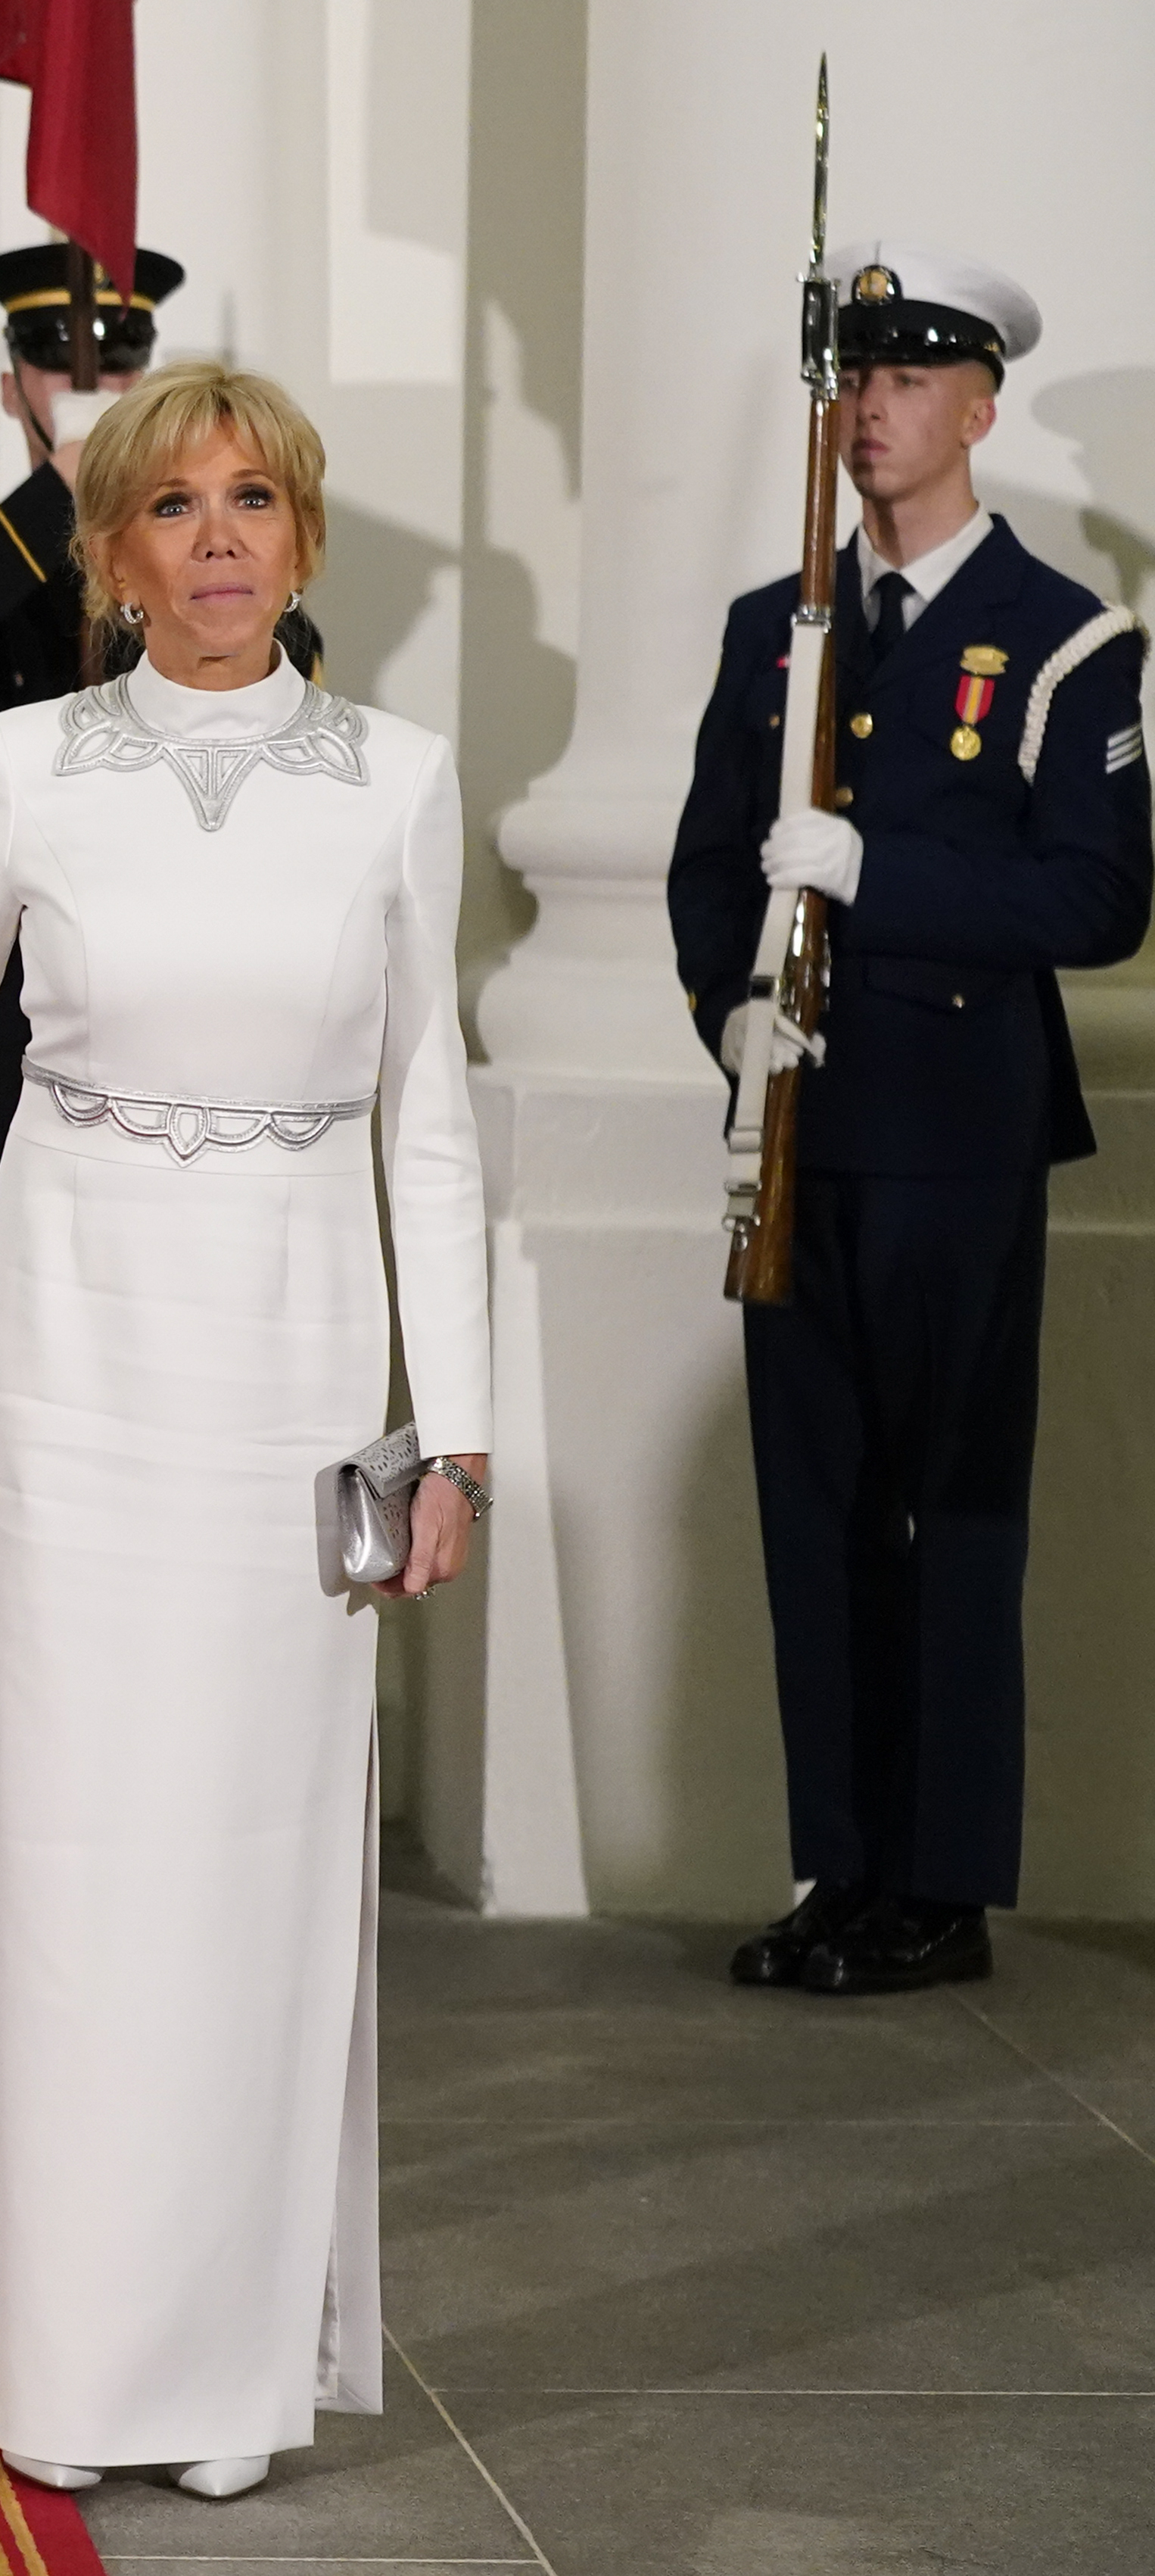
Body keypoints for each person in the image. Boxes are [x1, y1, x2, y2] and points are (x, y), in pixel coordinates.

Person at [0, 364, 490, 2500]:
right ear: (105, 550)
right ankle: (69, 2371)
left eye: (247, 497)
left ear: (302, 534)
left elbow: (424, 1123)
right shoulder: (19, 765)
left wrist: (447, 1436)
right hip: (71, 1367)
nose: (210, 538)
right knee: (76, 1868)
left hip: (289, 1376)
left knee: (258, 1870)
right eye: (165, 504)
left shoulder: (395, 778)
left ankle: (224, 2374)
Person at [666, 245, 1152, 1999]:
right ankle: (842, 1865)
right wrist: (724, 1006)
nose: (870, 413)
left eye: (907, 383)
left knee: (951, 1509)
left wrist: (883, 872)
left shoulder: (1061, 637)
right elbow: (710, 863)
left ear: (977, 409)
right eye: (854, 382)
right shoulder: (770, 630)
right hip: (794, 1125)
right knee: (815, 1511)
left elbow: (1100, 899)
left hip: (956, 1133)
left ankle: (939, 1888)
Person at [0, 245, 318, 1457]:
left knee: (174, 1427)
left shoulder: (206, 572)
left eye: (119, 359)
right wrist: (55, 500)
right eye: (56, 359)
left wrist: (138, 525)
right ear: (10, 378)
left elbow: (281, 675)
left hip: (175, 1041)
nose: (89, 378)